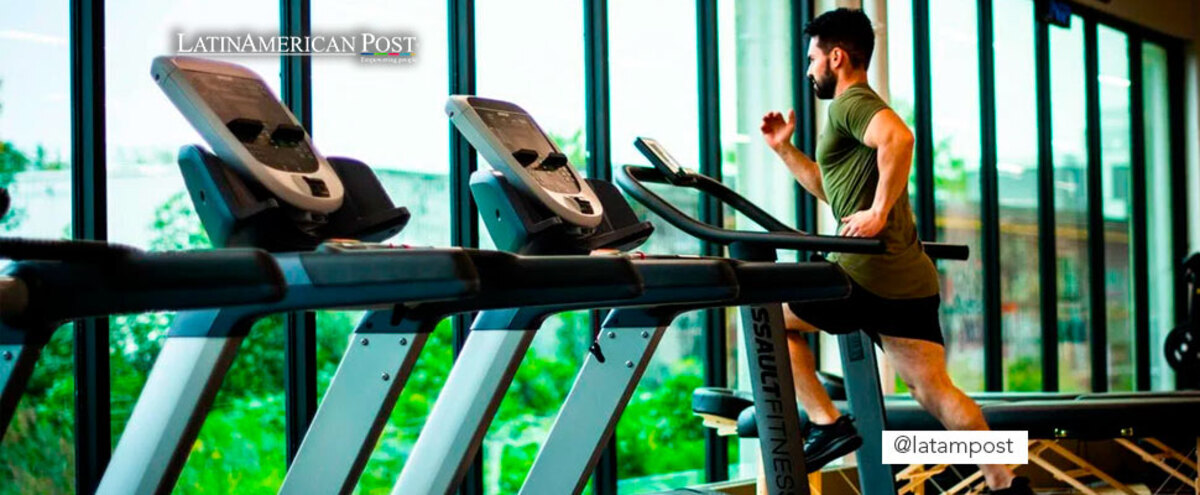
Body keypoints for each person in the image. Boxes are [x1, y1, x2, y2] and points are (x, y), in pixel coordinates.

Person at [758, 8, 1032, 494]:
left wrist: (879, 213)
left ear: (836, 57)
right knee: (934, 390)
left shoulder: (850, 103)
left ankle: (826, 424)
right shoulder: (852, 112)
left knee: (769, 317)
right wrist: (785, 149)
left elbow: (900, 138)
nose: (808, 70)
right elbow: (833, 191)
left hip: (864, 272)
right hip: (908, 278)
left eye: (812, 59)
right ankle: (1006, 484)